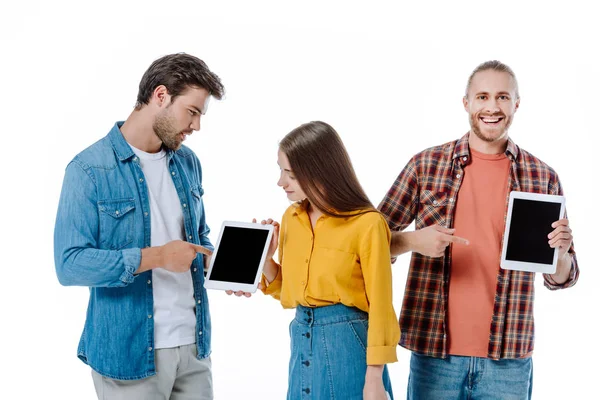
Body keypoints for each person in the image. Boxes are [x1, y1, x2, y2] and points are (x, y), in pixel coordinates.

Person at [378, 60, 579, 399]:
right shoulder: (425, 165)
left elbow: (563, 276)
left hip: (508, 359)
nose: (491, 107)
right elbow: (370, 242)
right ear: (467, 103)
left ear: (516, 104)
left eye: (502, 97)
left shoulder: (541, 176)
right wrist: (414, 240)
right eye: (482, 96)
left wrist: (558, 254)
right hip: (435, 354)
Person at [54, 53, 225, 400]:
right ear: (160, 96)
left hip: (194, 347)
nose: (196, 127)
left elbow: (198, 235)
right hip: (129, 354)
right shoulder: (88, 169)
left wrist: (218, 263)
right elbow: (69, 264)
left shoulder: (188, 162)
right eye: (192, 112)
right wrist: (158, 257)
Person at [236, 121, 399, 399]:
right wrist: (266, 260)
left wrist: (374, 377)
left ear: (319, 171)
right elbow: (290, 291)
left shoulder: (367, 224)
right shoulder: (292, 219)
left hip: (349, 344)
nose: (280, 182)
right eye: (280, 170)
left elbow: (381, 307)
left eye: (290, 174)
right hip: (302, 339)